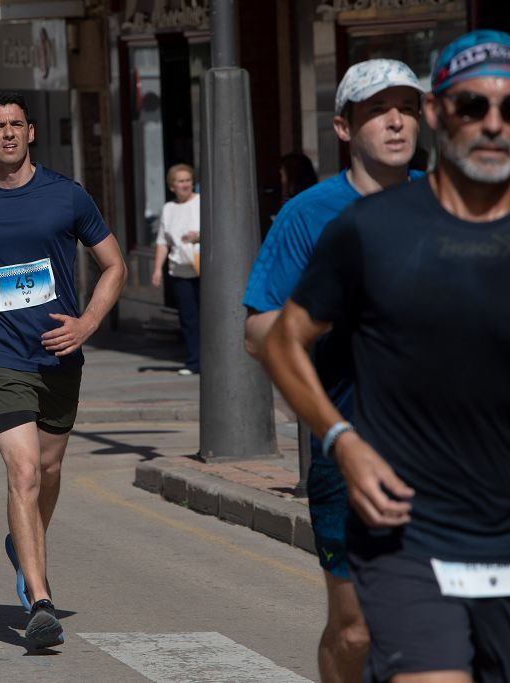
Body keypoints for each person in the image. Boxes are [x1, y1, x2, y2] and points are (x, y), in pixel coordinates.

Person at [261, 31, 510, 682]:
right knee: (356, 628)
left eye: (507, 109)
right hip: (386, 489)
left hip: (493, 499)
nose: (493, 124)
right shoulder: (340, 222)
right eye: (472, 107)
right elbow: (270, 333)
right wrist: (340, 435)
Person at [244, 59, 424, 683]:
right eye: (378, 110)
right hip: (348, 448)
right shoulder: (309, 214)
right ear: (344, 127)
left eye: (407, 107)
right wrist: (330, 314)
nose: (397, 120)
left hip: (446, 450)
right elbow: (257, 332)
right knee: (357, 628)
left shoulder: (449, 203)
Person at [0, 91, 126, 649]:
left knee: (48, 470)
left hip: (59, 353)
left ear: (31, 132)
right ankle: (40, 600)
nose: (9, 134)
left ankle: (23, 542)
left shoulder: (67, 195)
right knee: (22, 471)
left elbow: (113, 264)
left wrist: (87, 323)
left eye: (17, 125)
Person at [150, 163, 201, 375]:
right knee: (188, 318)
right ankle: (194, 361)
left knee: (209, 316)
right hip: (180, 270)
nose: (185, 185)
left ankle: (213, 359)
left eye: (188, 180)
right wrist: (157, 270)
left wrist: (198, 236)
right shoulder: (169, 209)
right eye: (180, 181)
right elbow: (163, 241)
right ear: (172, 186)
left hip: (203, 269)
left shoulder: (201, 203)